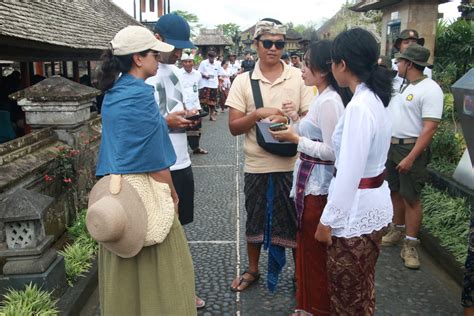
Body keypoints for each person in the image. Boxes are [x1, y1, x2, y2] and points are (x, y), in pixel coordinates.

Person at [94, 25, 196, 315]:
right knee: (163, 277)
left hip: (117, 198)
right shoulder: (140, 95)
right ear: (138, 59)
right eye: (153, 54)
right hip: (145, 195)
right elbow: (154, 162)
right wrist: (173, 194)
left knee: (126, 282)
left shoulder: (114, 93)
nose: (158, 59)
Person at [226, 18, 312, 293]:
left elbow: (313, 120)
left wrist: (294, 117)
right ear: (256, 45)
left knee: (295, 220)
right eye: (267, 43)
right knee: (255, 217)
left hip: (292, 163)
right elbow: (233, 127)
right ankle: (253, 269)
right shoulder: (243, 81)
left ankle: (300, 275)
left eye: (278, 44)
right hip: (257, 163)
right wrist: (257, 114)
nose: (273, 48)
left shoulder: (298, 77)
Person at [314, 28, 393, 315]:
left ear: (342, 65)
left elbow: (349, 171)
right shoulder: (375, 98)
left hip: (355, 213)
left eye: (333, 62)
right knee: (362, 289)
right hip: (373, 205)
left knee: (346, 298)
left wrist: (327, 220)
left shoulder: (360, 105)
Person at [269, 40, 348, 316]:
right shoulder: (320, 96)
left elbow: (333, 152)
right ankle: (308, 305)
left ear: (323, 69)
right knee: (305, 247)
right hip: (308, 183)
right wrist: (294, 118)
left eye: (306, 63)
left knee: (314, 252)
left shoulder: (330, 102)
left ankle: (318, 307)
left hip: (318, 186)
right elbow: (311, 131)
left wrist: (296, 139)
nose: (301, 69)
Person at [145, 13, 206, 310]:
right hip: (156, 163)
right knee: (158, 231)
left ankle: (180, 288)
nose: (181, 52)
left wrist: (190, 118)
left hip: (181, 159)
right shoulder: (141, 73)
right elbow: (139, 121)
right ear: (157, 39)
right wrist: (166, 122)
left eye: (183, 47)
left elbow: (184, 106)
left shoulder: (179, 72)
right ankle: (165, 292)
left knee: (180, 229)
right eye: (176, 46)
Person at [382, 44, 443, 269]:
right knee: (395, 191)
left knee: (412, 198)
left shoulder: (430, 89)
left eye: (400, 61)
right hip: (393, 147)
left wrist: (411, 157)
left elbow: (429, 128)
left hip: (410, 149)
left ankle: (410, 244)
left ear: (409, 64)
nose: (396, 64)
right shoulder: (403, 85)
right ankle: (396, 230)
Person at [180, 51, 208, 155]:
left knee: (197, 128)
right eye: (185, 62)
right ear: (182, 63)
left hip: (195, 105)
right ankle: (182, 150)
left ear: (193, 62)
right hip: (183, 106)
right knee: (183, 128)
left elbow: (199, 89)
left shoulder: (198, 74)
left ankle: (196, 148)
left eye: (190, 61)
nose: (188, 64)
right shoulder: (178, 74)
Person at [198, 50, 220, 121]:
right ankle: (199, 115)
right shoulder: (203, 63)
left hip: (213, 84)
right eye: (211, 57)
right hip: (204, 84)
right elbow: (199, 72)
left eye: (213, 57)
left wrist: (219, 84)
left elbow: (218, 74)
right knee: (202, 100)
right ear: (208, 56)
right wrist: (204, 75)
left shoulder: (218, 64)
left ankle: (212, 115)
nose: (212, 59)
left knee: (212, 101)